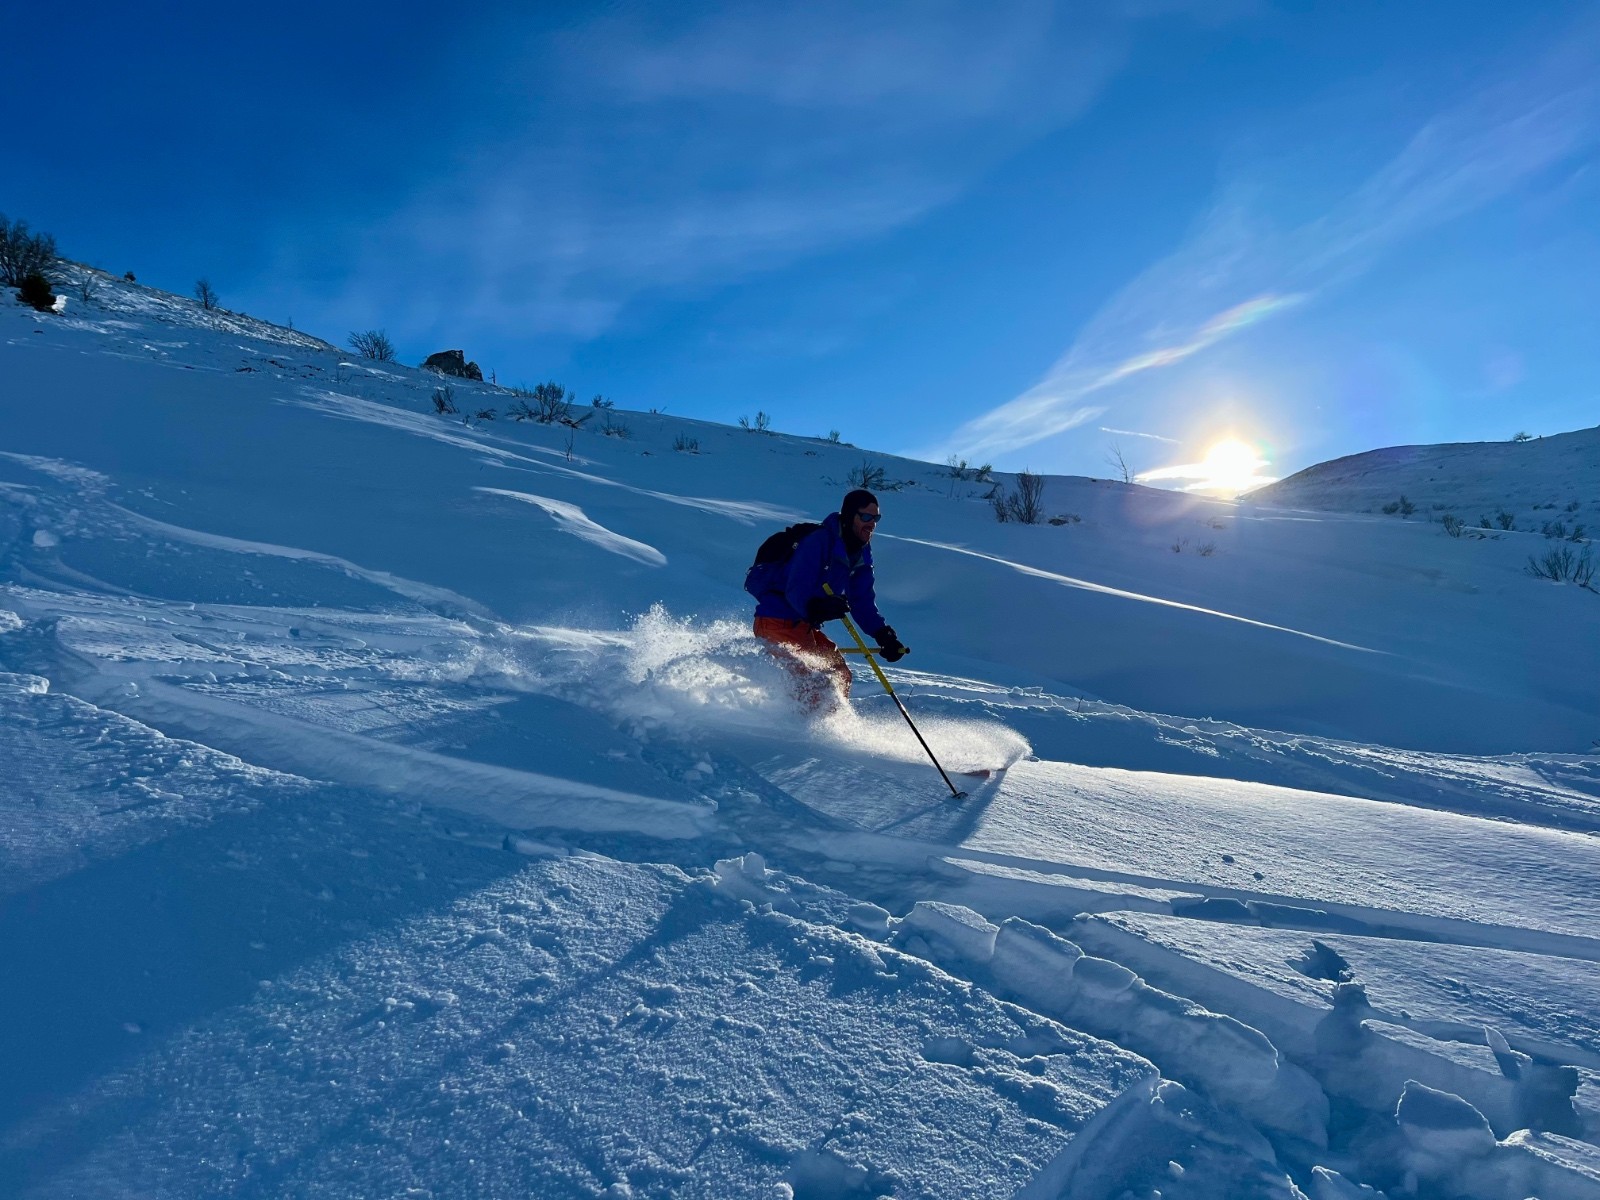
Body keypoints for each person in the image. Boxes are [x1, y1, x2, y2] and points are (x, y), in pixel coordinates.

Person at [751, 489, 909, 710]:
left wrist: (883, 635)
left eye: (876, 518)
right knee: (815, 686)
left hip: (803, 626)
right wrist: (816, 607)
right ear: (850, 516)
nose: (872, 524)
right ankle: (800, 729)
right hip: (777, 623)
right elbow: (796, 588)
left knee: (840, 674)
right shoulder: (819, 541)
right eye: (866, 516)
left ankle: (832, 724)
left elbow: (861, 599)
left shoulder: (861, 551)